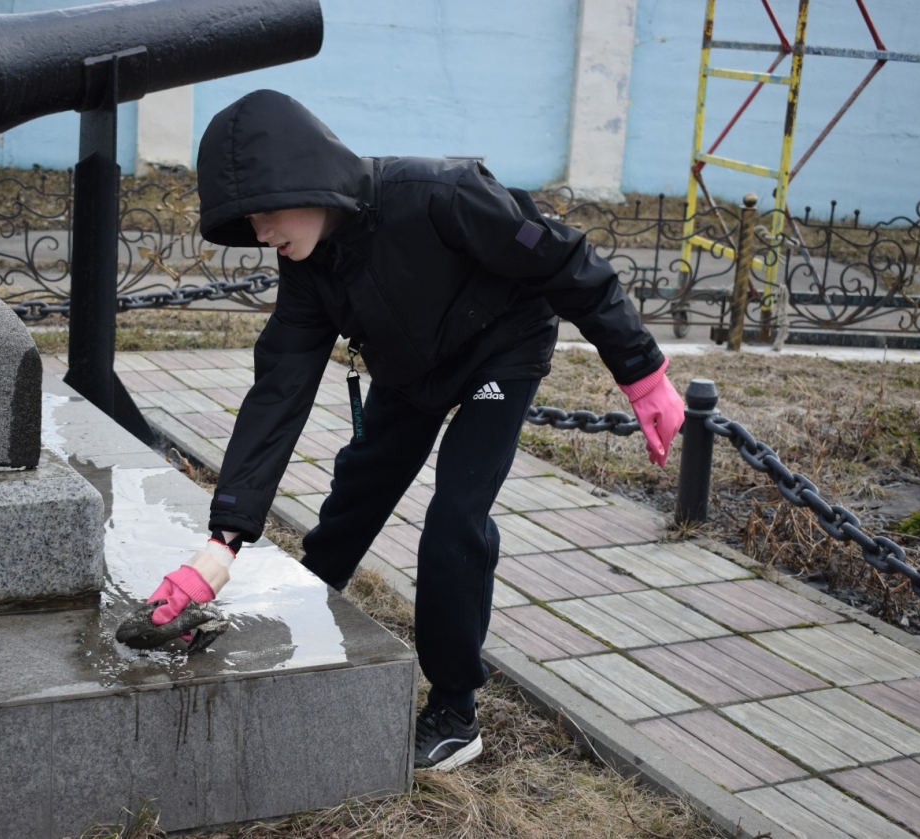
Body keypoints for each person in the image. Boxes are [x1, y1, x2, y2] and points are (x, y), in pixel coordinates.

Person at [130, 89, 685, 772]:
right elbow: (279, 391)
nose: (264, 233)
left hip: (498, 353)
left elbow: (564, 259)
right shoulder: (309, 263)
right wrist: (220, 544)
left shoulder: (442, 194)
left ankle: (455, 709)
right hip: (410, 369)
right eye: (251, 220)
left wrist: (642, 371)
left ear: (308, 177)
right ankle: (307, 603)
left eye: (269, 211)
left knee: (455, 517)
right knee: (358, 488)